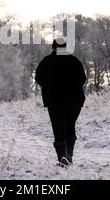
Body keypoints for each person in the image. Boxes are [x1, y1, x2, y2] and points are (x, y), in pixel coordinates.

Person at [35, 38, 87, 167]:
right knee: (70, 126)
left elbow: (38, 78)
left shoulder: (46, 61)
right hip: (74, 101)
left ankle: (62, 157)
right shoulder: (74, 61)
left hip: (54, 101)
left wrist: (49, 87)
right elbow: (82, 79)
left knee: (58, 128)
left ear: (53, 48)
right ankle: (69, 155)